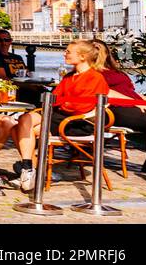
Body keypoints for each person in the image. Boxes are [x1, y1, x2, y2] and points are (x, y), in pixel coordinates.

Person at [10, 40, 109, 192]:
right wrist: (61, 104)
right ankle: (29, 169)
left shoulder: (95, 78)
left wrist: (62, 104)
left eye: (68, 52)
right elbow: (54, 98)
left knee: (21, 130)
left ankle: (32, 171)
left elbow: (81, 106)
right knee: (23, 121)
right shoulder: (70, 76)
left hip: (77, 122)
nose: (64, 53)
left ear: (82, 56)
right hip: (59, 116)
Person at [90, 39, 146, 186]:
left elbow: (131, 91)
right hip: (114, 107)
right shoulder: (92, 73)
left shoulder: (113, 71)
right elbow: (105, 91)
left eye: (100, 49)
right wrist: (136, 103)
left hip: (132, 103)